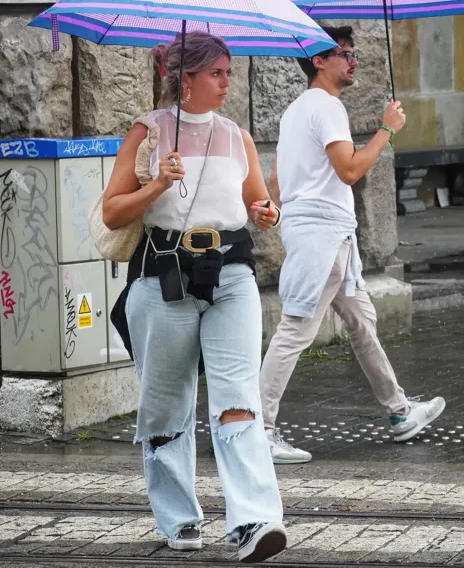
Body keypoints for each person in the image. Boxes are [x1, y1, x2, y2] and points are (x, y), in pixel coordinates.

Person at [102, 32, 287, 562]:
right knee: (166, 408)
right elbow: (113, 211)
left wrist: (267, 212)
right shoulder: (149, 131)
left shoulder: (238, 137)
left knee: (236, 402)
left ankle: (255, 520)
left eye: (229, 72)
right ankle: (179, 518)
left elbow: (258, 201)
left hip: (230, 277)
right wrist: (158, 183)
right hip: (164, 280)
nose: (229, 82)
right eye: (218, 73)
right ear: (186, 80)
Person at [258, 25, 446, 465]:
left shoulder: (294, 112)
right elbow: (348, 171)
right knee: (296, 330)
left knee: (362, 324)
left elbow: (276, 183)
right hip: (323, 236)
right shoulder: (326, 107)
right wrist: (386, 129)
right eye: (343, 53)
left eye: (353, 51)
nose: (353, 59)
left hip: (326, 234)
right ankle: (258, 428)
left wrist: (293, 216)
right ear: (319, 62)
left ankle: (400, 412)